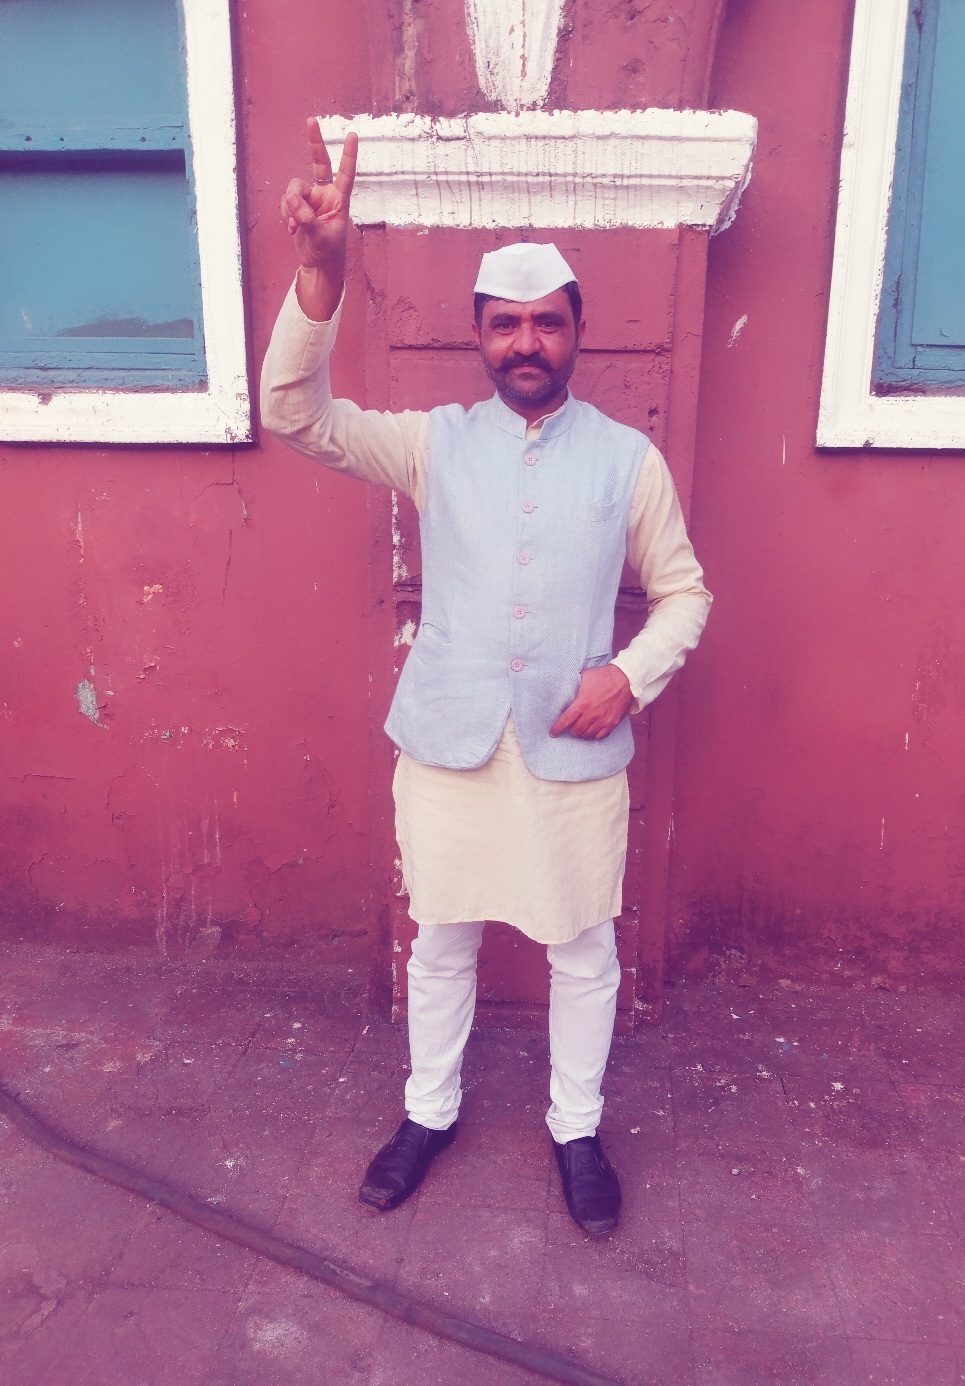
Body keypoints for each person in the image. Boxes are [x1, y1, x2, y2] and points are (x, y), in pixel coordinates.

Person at [260, 121, 712, 1237]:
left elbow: (685, 594)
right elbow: (293, 414)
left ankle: (576, 1129)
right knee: (443, 937)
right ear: (477, 334)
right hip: (449, 737)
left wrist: (628, 675)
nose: (525, 342)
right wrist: (322, 275)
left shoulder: (627, 460)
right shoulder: (434, 442)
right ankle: (429, 1113)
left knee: (583, 949)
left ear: (577, 331)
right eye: (504, 324)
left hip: (572, 742)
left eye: (545, 322)